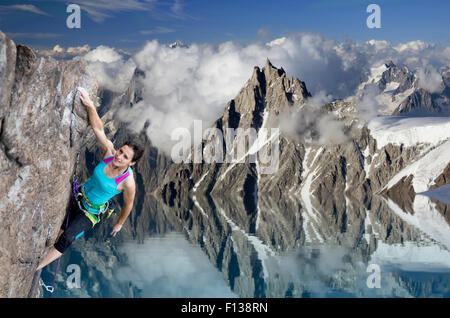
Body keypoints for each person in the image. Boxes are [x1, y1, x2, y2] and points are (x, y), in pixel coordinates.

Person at [36, 87, 144, 271]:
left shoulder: (127, 182)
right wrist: (89, 104)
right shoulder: (109, 154)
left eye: (125, 157)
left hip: (91, 213)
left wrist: (119, 224)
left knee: (67, 238)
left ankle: (35, 269)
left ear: (132, 163)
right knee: (59, 233)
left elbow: (129, 205)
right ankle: (44, 255)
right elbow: (98, 129)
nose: (119, 157)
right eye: (121, 151)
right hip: (78, 196)